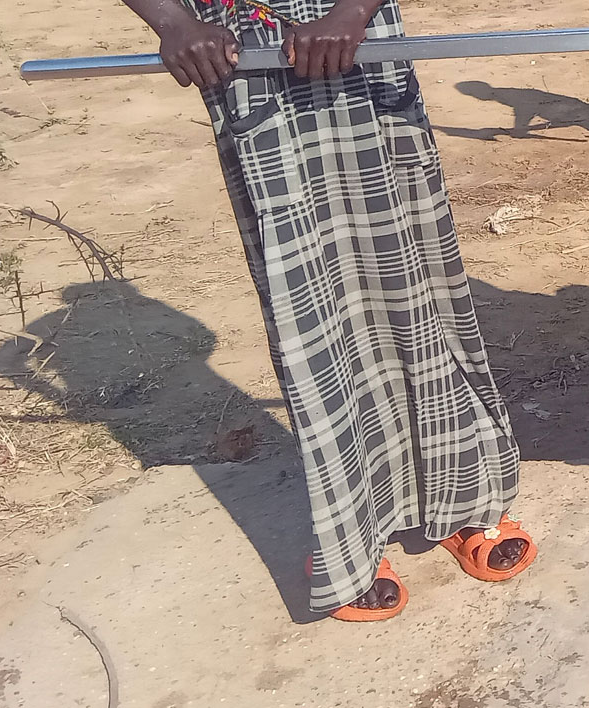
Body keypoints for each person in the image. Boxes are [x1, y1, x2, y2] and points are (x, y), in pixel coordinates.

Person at [121, 0, 537, 621]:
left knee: (415, 275)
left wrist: (353, 10)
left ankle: (463, 498)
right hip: (245, 55)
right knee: (310, 306)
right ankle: (350, 541)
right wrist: (174, 23)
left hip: (362, 41)